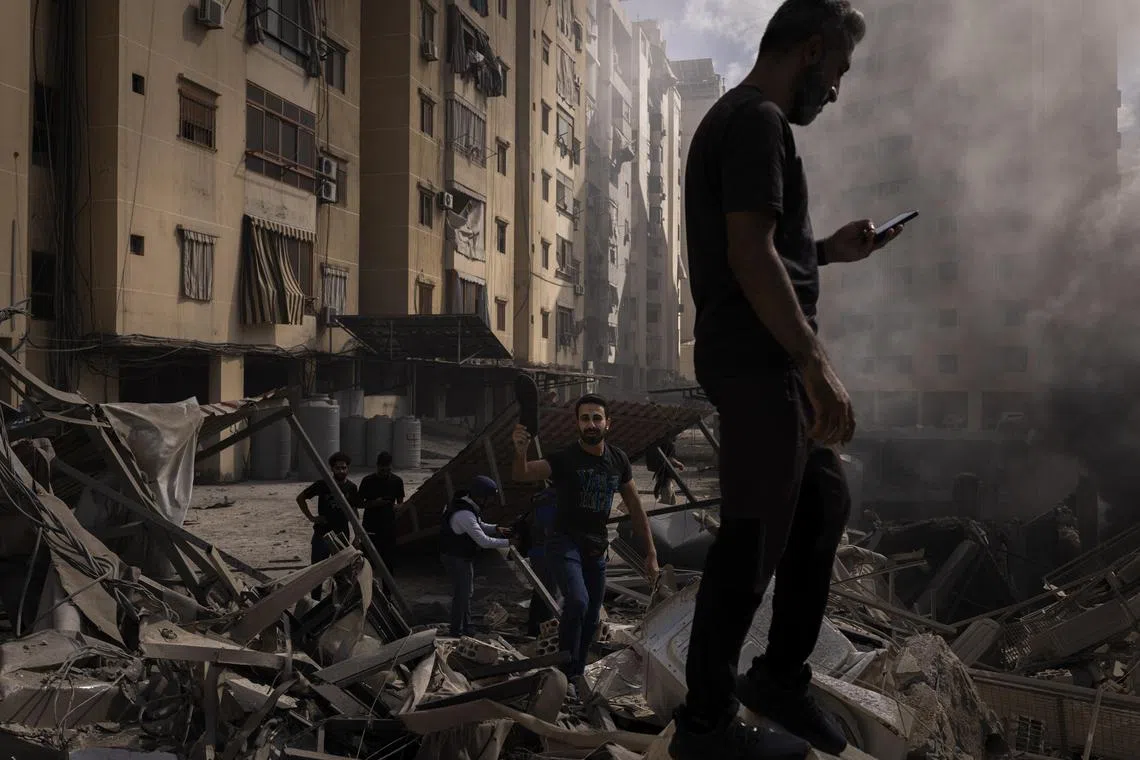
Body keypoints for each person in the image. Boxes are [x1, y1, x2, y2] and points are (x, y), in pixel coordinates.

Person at [671, 1, 906, 757]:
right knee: (752, 536)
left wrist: (829, 252)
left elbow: (768, 246)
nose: (836, 90)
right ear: (809, 52)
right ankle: (705, 724)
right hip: (760, 357)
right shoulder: (757, 122)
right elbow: (749, 255)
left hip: (756, 352)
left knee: (821, 502)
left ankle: (777, 678)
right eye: (836, 71)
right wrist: (815, 364)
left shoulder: (743, 124)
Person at [511, 394, 658, 684]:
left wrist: (650, 553)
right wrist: (519, 450)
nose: (591, 424)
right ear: (577, 424)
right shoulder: (564, 459)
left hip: (596, 546)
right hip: (564, 543)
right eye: (585, 418)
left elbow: (636, 508)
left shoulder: (618, 460)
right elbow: (522, 473)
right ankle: (564, 673)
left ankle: (576, 675)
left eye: (596, 418)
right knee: (577, 601)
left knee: (592, 616)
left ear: (607, 423)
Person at [438, 475, 513, 637]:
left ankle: (466, 627)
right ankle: (457, 631)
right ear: (480, 496)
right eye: (490, 498)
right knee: (462, 595)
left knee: (466, 593)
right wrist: (510, 543)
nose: (491, 502)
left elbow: (479, 525)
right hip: (456, 558)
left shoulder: (466, 506)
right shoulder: (464, 514)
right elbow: (483, 541)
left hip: (458, 556)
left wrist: (497, 528)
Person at [296, 451, 360, 600]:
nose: (341, 471)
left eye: (344, 468)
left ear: (348, 468)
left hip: (342, 536)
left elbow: (354, 511)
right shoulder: (323, 485)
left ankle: (338, 604)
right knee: (317, 573)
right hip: (322, 535)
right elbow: (300, 498)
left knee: (342, 573)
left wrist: (357, 535)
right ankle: (315, 603)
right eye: (338, 468)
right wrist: (312, 517)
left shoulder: (351, 488)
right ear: (332, 469)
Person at [523, 485, 561, 637]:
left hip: (541, 552)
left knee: (540, 592)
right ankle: (546, 633)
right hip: (546, 553)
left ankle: (533, 630)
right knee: (549, 595)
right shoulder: (549, 502)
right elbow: (550, 529)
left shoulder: (543, 499)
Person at [359, 451, 405, 572]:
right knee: (368, 561)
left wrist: (397, 507)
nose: (385, 471)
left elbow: (401, 502)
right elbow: (358, 503)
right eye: (382, 469)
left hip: (389, 526)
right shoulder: (367, 481)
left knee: (388, 561)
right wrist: (374, 503)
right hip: (370, 525)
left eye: (388, 469)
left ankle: (387, 590)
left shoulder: (397, 481)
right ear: (378, 466)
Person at [646, 435, 686, 505]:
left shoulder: (662, 441)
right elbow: (670, 459)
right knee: (666, 499)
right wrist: (679, 464)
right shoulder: (669, 444)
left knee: (671, 499)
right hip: (665, 474)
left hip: (661, 473)